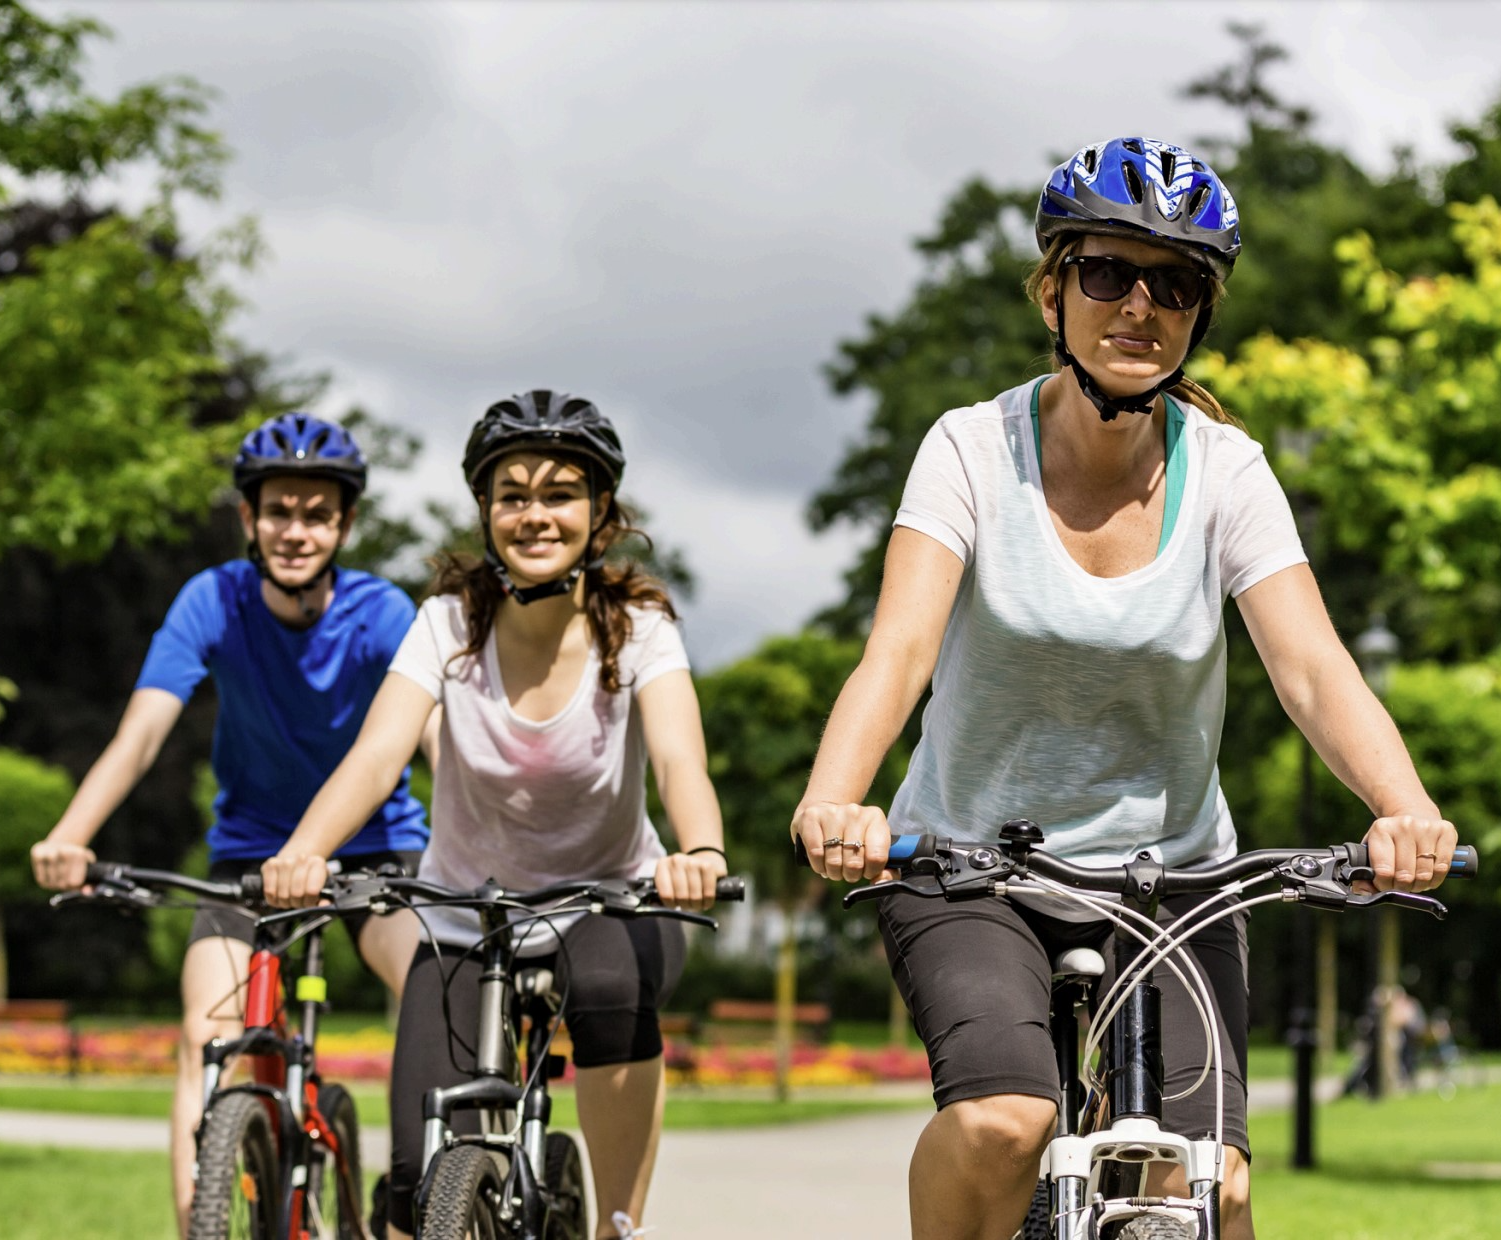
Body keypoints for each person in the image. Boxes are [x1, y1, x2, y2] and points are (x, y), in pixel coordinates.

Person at [789, 136, 1456, 1240]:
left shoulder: (1228, 471)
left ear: (1200, 312)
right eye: (1108, 273)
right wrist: (835, 797)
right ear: (1053, 289)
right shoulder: (967, 449)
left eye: (1176, 284)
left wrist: (1404, 805)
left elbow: (1309, 665)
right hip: (970, 866)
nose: (1139, 304)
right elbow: (897, 652)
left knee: (1215, 1183)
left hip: (1171, 875)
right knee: (1007, 1121)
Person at [262, 390, 727, 1240]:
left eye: (558, 494)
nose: (534, 514)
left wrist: (698, 850)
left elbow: (677, 760)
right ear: (486, 511)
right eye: (512, 494)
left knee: (609, 988)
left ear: (599, 511)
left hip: (609, 900)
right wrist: (302, 852)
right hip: (463, 910)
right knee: (412, 1184)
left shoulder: (639, 628)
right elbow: (375, 758)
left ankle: (616, 1227)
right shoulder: (445, 624)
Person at [30, 411, 431, 1238]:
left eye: (317, 513)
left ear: (345, 524)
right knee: (204, 1035)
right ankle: (201, 1226)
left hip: (378, 850)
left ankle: (416, 1201)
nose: (296, 530)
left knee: (433, 990)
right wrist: (72, 834)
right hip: (249, 856)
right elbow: (142, 732)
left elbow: (436, 738)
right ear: (248, 517)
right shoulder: (211, 599)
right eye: (278, 509)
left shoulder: (381, 609)